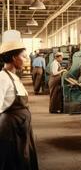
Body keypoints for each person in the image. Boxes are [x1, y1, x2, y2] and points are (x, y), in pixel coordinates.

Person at [0, 30, 39, 169]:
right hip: (10, 131)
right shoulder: (3, 78)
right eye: (23, 56)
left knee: (24, 160)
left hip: (21, 128)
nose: (26, 59)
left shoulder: (15, 76)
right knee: (13, 162)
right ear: (13, 57)